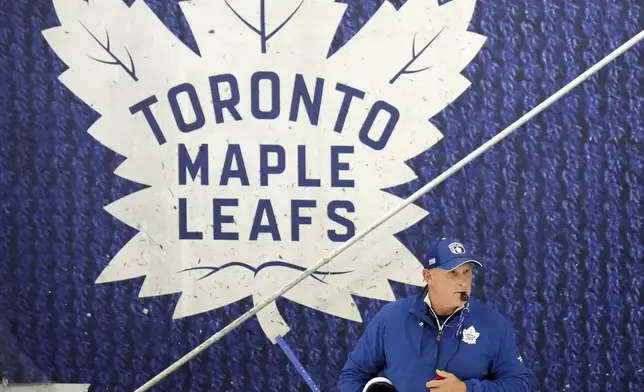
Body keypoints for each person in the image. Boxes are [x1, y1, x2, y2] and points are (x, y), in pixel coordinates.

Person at [338, 237, 530, 392]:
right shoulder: (391, 317)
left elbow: (519, 384)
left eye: (466, 272)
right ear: (428, 276)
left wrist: (467, 389)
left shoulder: (493, 324)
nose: (463, 281)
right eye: (452, 273)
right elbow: (352, 375)